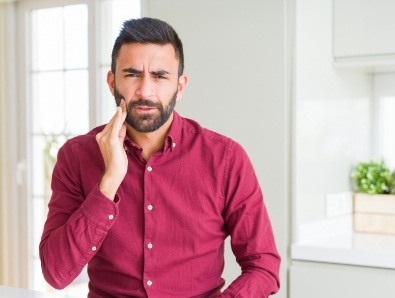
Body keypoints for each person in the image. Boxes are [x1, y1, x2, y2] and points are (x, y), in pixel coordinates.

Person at [40, 17, 280, 297]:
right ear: (111, 81)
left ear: (180, 85)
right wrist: (108, 183)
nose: (145, 91)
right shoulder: (77, 157)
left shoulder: (226, 158)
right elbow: (56, 273)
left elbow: (263, 267)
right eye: (131, 74)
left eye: (160, 76)